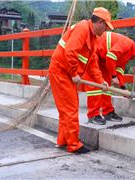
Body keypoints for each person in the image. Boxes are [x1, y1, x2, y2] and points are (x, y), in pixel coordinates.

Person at [48, 7, 114, 154]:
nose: (105, 30)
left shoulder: (94, 38)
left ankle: (63, 140)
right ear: (100, 22)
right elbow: (70, 52)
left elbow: (92, 63)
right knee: (70, 108)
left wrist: (100, 81)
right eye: (106, 26)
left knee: (67, 108)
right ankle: (73, 144)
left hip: (65, 72)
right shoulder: (83, 28)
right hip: (61, 71)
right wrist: (73, 73)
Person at [86, 32, 135, 125]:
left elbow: (120, 69)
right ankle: (93, 115)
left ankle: (107, 112)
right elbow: (110, 57)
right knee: (95, 86)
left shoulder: (129, 54)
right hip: (95, 52)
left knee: (106, 85)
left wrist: (123, 89)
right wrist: (113, 76)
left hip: (103, 60)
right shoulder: (127, 44)